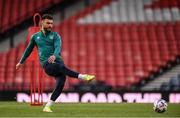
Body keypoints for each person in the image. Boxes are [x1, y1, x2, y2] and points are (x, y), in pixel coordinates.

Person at [16, 14, 95, 112]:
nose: (50, 25)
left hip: (57, 62)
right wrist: (21, 62)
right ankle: (83, 77)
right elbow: (28, 50)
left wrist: (54, 55)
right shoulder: (35, 37)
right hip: (47, 65)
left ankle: (47, 106)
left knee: (60, 84)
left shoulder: (55, 35)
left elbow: (58, 47)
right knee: (61, 67)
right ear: (42, 22)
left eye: (51, 23)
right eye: (48, 23)